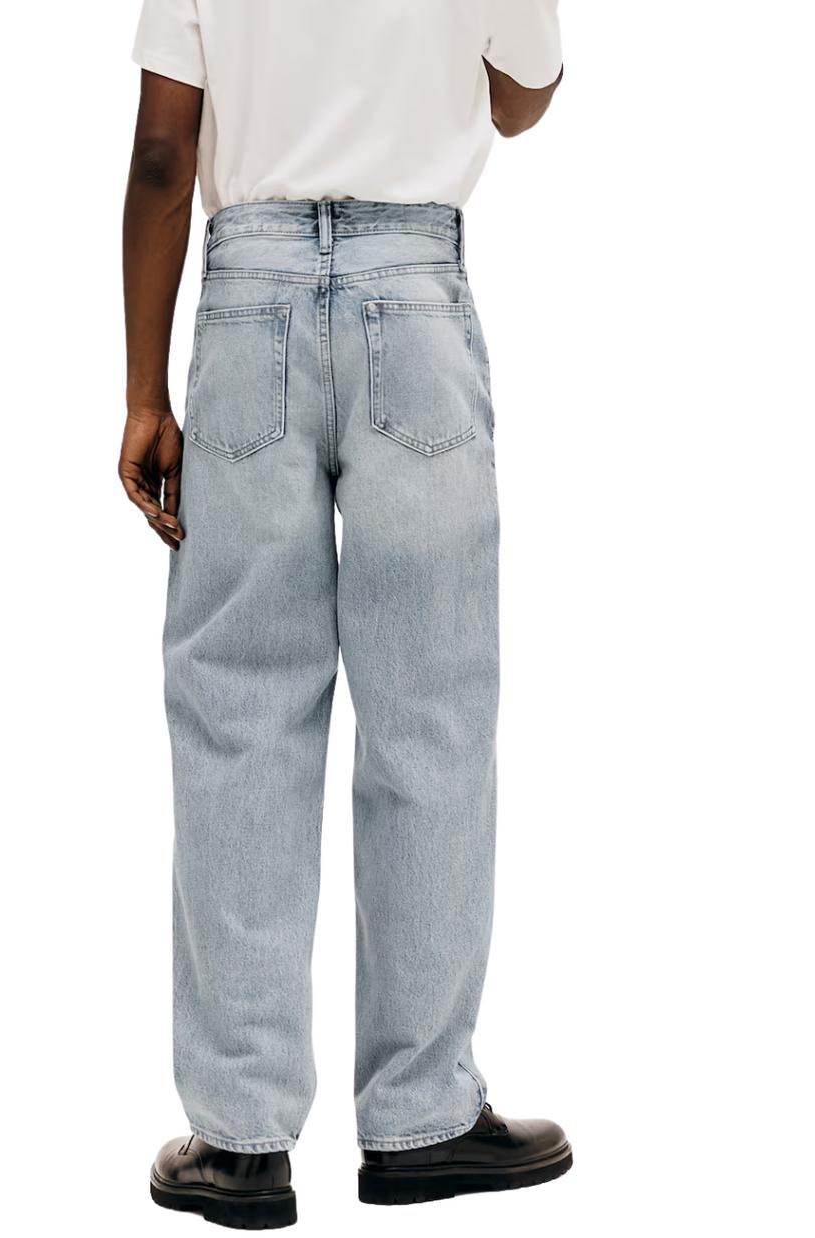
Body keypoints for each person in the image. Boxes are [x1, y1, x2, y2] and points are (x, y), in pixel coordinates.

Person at [120, 1, 569, 1227]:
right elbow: (525, 97)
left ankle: (239, 1138)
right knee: (431, 713)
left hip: (245, 306)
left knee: (237, 718)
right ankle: (423, 1115)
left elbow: (162, 153)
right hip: (413, 301)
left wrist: (144, 394)